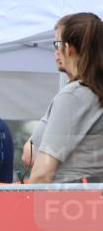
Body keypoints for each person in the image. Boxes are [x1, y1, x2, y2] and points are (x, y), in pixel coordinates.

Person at [27, 12, 103, 184]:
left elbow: (42, 174)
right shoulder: (92, 92)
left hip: (65, 198)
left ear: (68, 48)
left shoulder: (75, 95)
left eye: (57, 44)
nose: (56, 51)